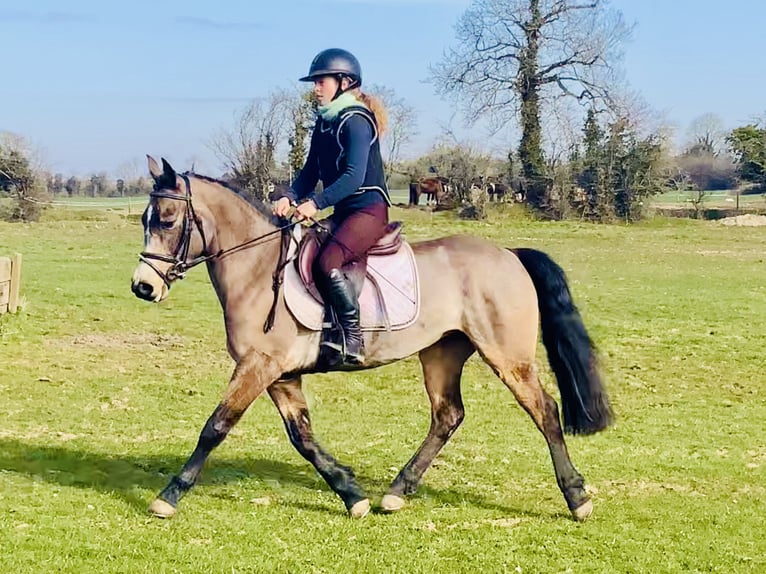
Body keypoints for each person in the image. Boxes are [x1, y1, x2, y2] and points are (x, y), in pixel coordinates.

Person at [273, 48, 392, 367]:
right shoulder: (325, 123)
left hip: (368, 211)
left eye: (320, 81)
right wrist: (290, 195)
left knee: (328, 261)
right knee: (303, 251)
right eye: (315, 82)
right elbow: (310, 172)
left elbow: (353, 177)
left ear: (345, 82)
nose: (315, 88)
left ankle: (353, 337)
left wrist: (316, 202)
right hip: (343, 213)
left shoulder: (356, 121)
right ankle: (323, 329)